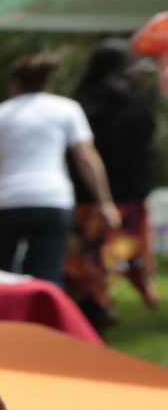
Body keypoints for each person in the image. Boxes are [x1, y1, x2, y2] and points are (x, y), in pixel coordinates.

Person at [0, 55, 120, 286]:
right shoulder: (67, 109)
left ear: (15, 83)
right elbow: (86, 157)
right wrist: (105, 202)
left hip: (6, 202)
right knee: (47, 276)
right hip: (52, 200)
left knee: (4, 277)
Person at [64, 40, 160, 330]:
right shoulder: (136, 103)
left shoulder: (82, 103)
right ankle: (122, 290)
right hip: (130, 198)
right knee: (125, 252)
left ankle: (95, 303)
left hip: (87, 198)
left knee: (89, 259)